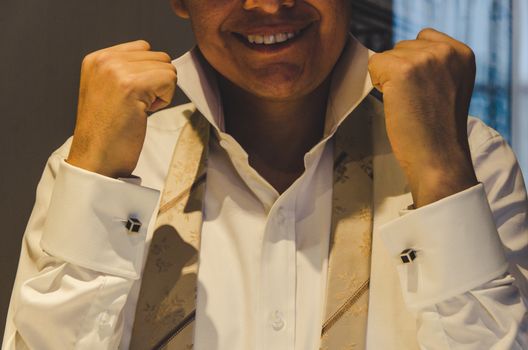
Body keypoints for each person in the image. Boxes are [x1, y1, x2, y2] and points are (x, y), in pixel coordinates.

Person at [3, 0, 528, 349]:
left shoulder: (470, 161)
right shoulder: (100, 167)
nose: (270, 3)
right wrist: (94, 180)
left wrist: (440, 175)